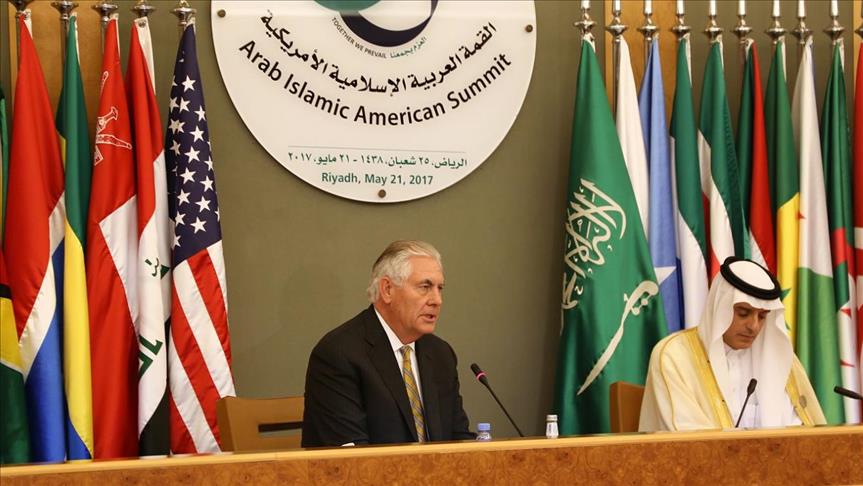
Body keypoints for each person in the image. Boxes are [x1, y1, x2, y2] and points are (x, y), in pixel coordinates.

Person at [301, 240, 474, 447]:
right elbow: (350, 456)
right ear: (387, 289)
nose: (437, 300)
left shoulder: (440, 354)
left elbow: (459, 440)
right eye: (425, 287)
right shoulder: (339, 354)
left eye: (440, 288)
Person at [639, 257, 826, 431]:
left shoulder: (780, 359)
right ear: (720, 305)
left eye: (762, 316)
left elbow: (802, 433)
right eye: (743, 313)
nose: (754, 326)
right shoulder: (674, 357)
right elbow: (689, 441)